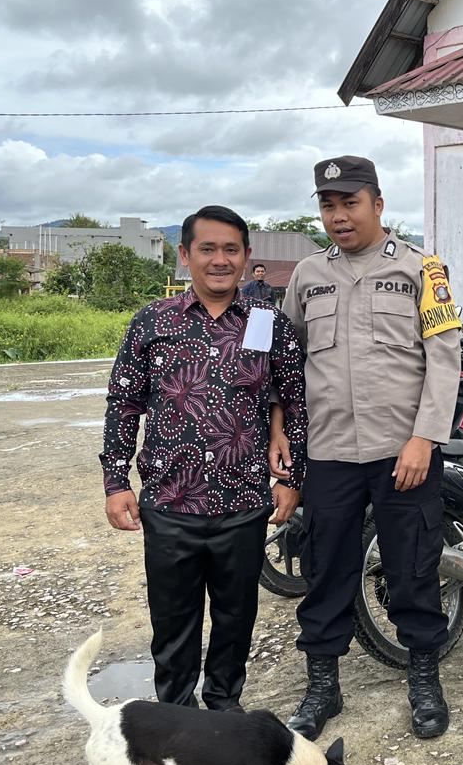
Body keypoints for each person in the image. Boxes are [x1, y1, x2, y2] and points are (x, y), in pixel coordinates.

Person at [269, 156, 461, 742]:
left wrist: (424, 438)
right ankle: (322, 686)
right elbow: (285, 360)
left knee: (412, 567)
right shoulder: (308, 275)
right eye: (328, 205)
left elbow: (444, 358)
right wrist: (278, 427)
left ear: (377, 204)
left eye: (350, 203)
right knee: (326, 568)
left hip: (403, 451)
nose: (339, 216)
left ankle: (424, 680)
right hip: (329, 452)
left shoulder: (422, 269)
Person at [100, 205, 307, 711]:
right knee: (173, 621)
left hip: (243, 503)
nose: (220, 260)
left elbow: (293, 397)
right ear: (185, 254)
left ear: (246, 256)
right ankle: (176, 716)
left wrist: (291, 477)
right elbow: (124, 402)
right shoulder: (153, 321)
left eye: (231, 250)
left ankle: (224, 708)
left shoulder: (266, 323)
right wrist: (116, 482)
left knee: (236, 618)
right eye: (207, 249)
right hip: (170, 503)